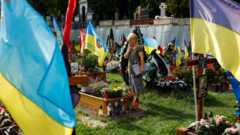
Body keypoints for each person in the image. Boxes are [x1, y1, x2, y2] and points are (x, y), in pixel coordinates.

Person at [124, 33, 145, 109]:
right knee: (131, 86)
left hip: (136, 69)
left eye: (129, 40)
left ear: (134, 40)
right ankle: (134, 102)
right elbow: (125, 57)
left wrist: (142, 68)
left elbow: (142, 58)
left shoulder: (139, 47)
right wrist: (128, 50)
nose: (129, 42)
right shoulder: (129, 47)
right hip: (130, 69)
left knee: (137, 86)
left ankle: (135, 102)